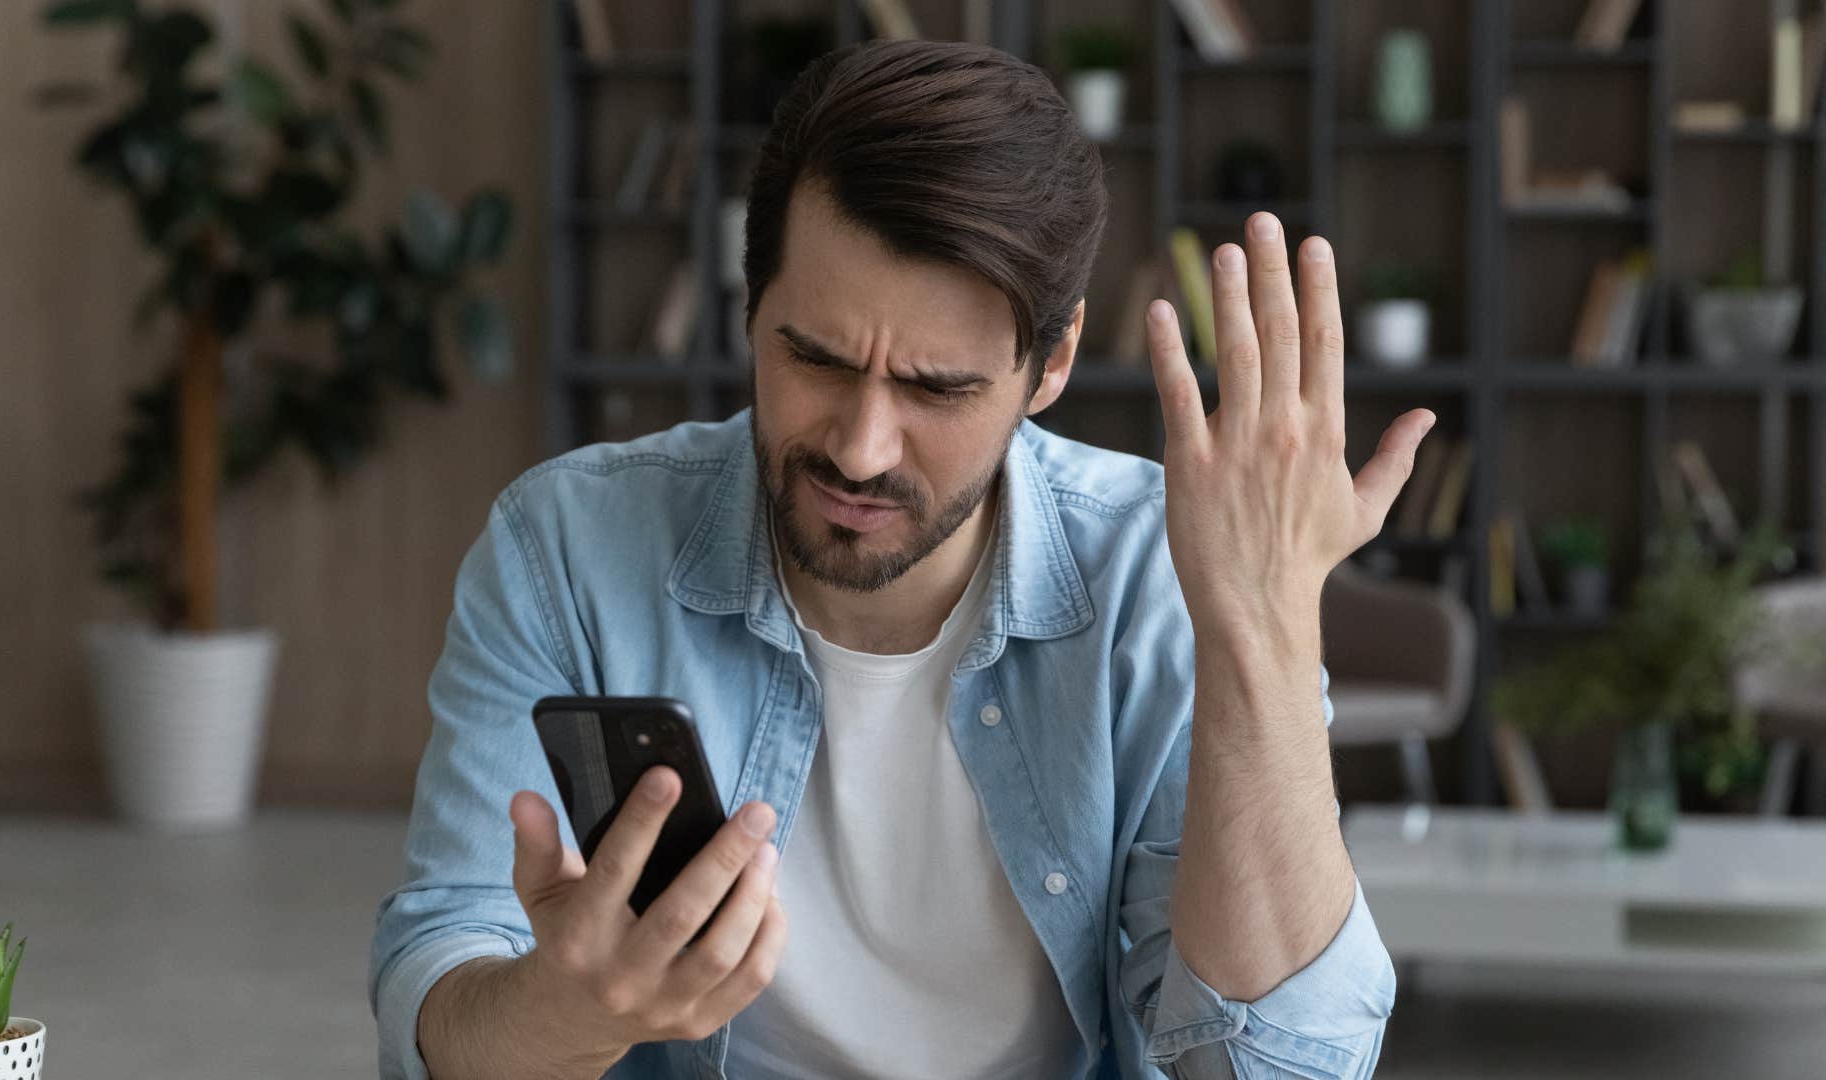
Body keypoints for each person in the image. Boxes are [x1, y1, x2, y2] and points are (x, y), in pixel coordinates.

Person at [371, 38, 1424, 1080]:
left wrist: (1265, 626)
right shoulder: (565, 545)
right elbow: (441, 995)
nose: (861, 449)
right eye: (815, 359)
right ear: (750, 307)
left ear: (1051, 363)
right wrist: (564, 1017)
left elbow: (1278, 1073)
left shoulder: (1161, 575)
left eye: (938, 389)